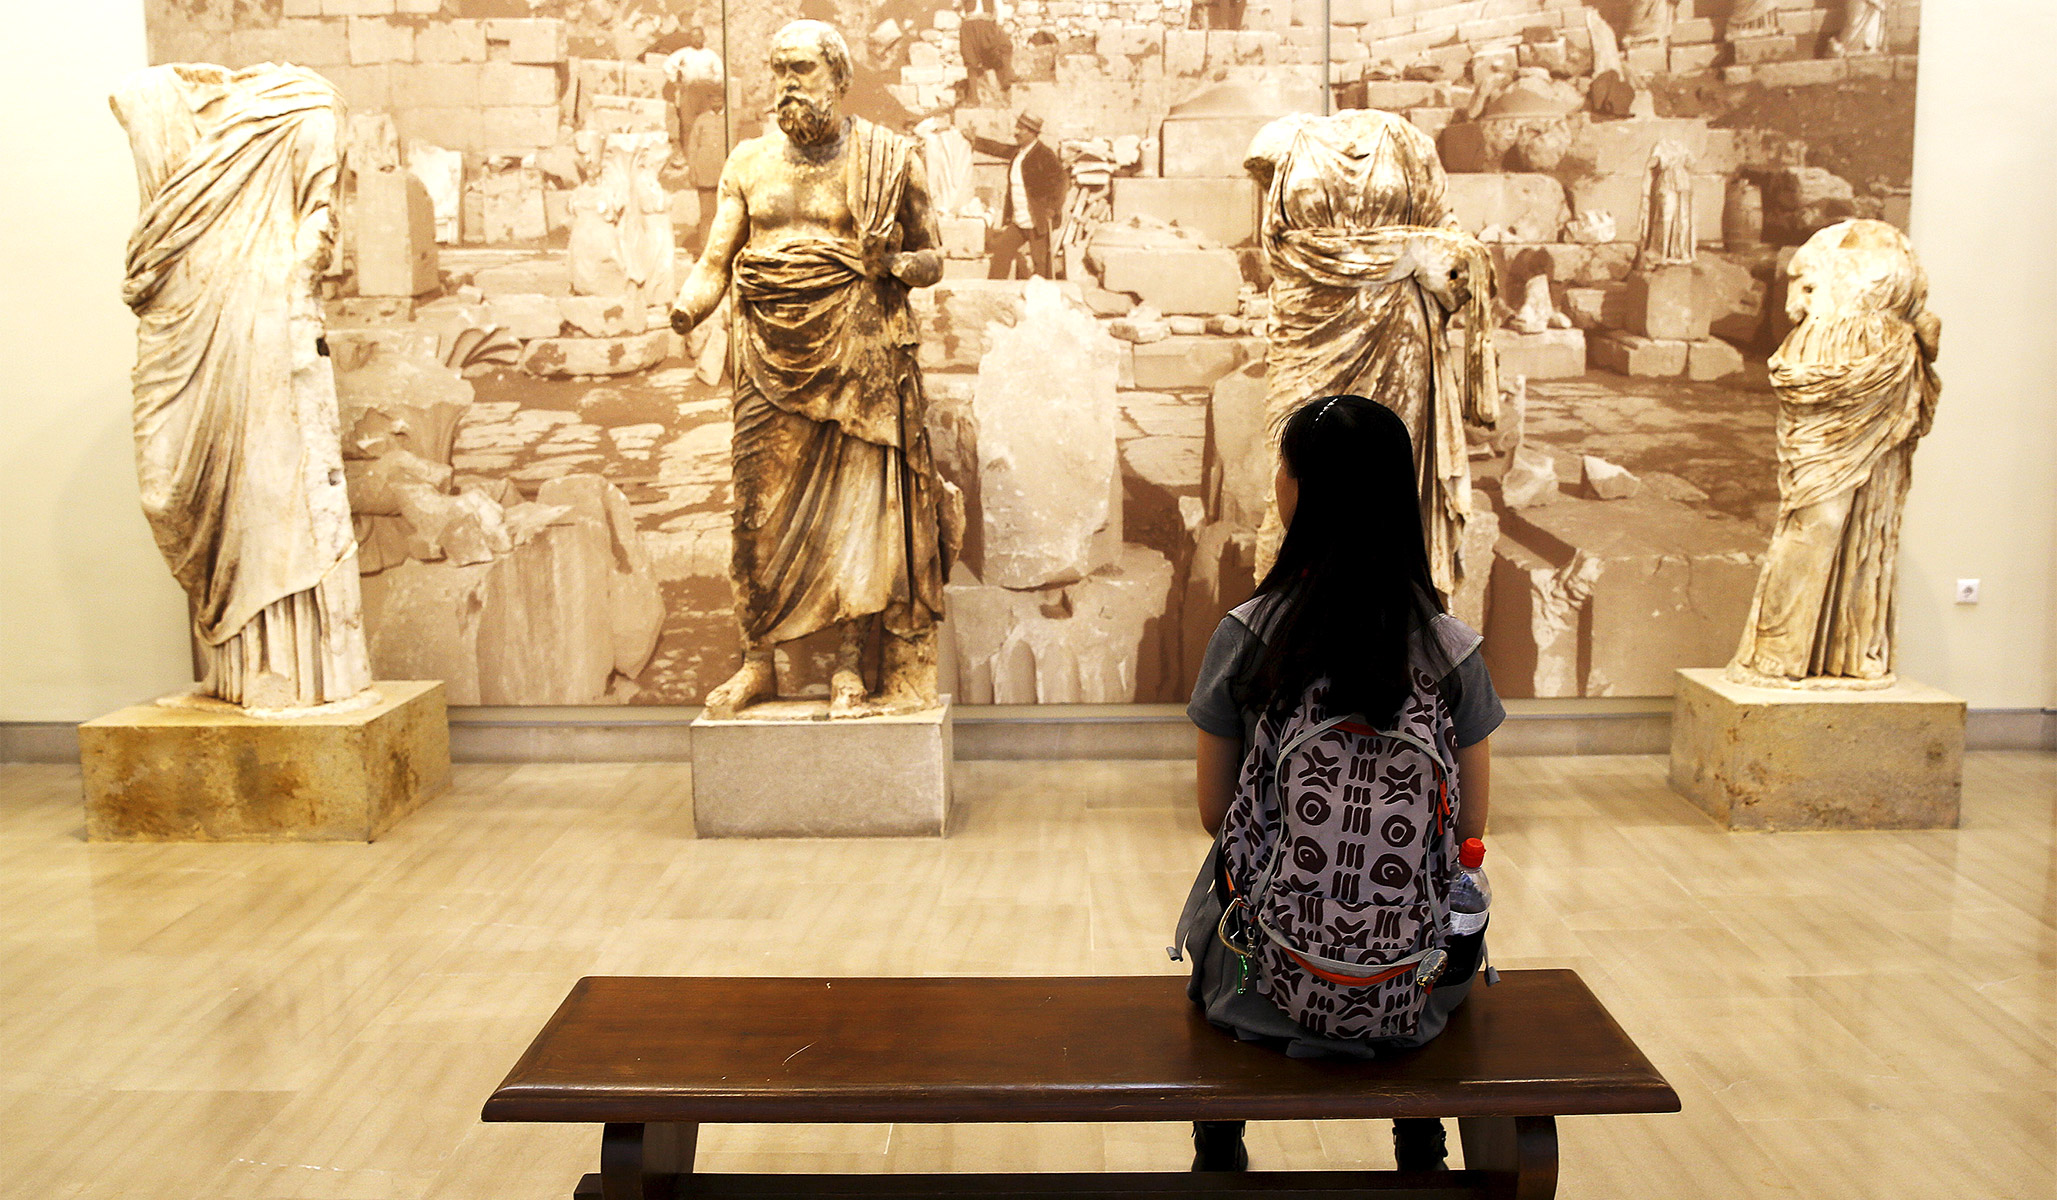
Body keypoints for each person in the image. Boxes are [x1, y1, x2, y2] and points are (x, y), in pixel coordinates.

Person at [1179, 396, 1504, 1172]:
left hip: (1257, 983)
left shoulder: (1246, 637)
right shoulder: (1452, 650)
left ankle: (1218, 1141)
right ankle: (1418, 1136)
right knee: (1457, 895)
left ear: (1298, 491)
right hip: (1412, 986)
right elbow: (1468, 831)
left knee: (1222, 885)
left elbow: (1215, 814)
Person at [668, 20, 954, 718]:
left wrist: (892, 262)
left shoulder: (889, 160)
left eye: (801, 69)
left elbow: (932, 259)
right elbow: (714, 261)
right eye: (778, 71)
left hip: (857, 359)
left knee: (855, 518)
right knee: (753, 513)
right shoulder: (747, 163)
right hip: (767, 359)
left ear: (839, 77)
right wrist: (686, 309)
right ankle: (756, 662)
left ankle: (850, 667)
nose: (787, 85)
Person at [111, 63, 373, 711]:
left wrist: (294, 285)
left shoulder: (303, 102)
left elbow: (320, 215)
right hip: (178, 313)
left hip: (263, 316)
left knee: (272, 489)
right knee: (164, 490)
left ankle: (288, 671)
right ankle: (232, 661)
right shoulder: (147, 96)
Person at [1242, 110, 1499, 603]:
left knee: (1388, 486)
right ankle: (1288, 619)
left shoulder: (1411, 145)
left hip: (1398, 333)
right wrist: (1407, 252)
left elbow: (1448, 243)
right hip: (1310, 335)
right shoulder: (1279, 141)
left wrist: (1438, 257)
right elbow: (1281, 249)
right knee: (1297, 480)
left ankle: (1393, 620)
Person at [972, 111, 1064, 279]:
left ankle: (1044, 293)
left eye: (1021, 129)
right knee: (1001, 252)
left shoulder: (1044, 154)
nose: (1016, 132)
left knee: (1041, 264)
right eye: (1017, 127)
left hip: (1038, 221)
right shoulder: (1018, 152)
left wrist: (1052, 208)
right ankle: (996, 289)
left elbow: (1061, 182)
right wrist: (974, 140)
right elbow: (998, 148)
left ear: (1032, 133)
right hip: (1019, 221)